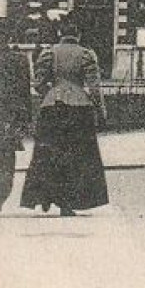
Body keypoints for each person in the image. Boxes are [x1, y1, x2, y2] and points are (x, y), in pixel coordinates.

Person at [18, 16, 109, 217]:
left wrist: (51, 93)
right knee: (78, 157)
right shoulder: (86, 54)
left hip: (52, 108)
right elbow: (95, 87)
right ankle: (69, 202)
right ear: (78, 35)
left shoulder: (49, 53)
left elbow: (38, 82)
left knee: (48, 155)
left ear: (60, 34)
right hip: (79, 109)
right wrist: (101, 112)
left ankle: (46, 196)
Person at [1, 20, 33, 209]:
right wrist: (26, 119)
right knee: (6, 159)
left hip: (7, 116)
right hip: (8, 118)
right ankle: (1, 195)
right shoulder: (19, 60)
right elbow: (24, 92)